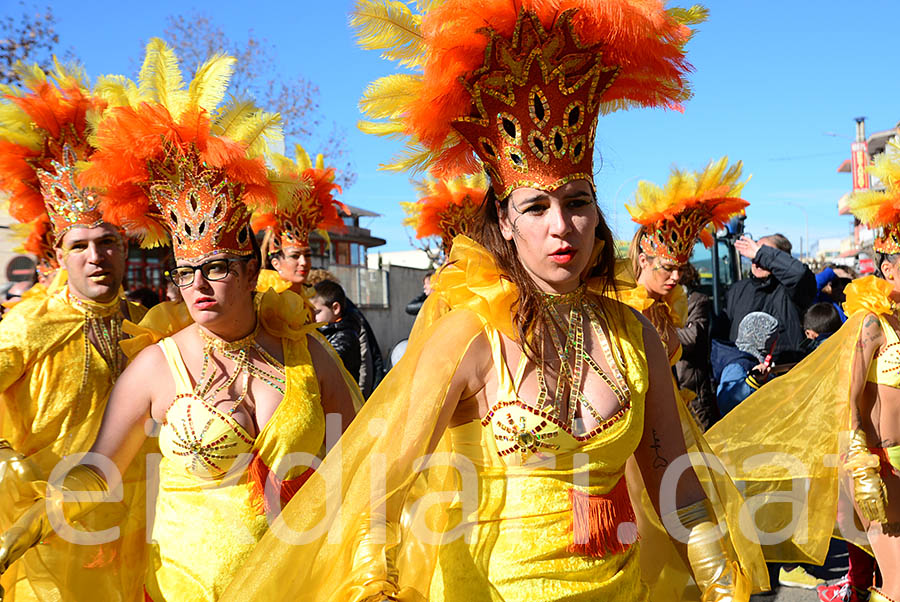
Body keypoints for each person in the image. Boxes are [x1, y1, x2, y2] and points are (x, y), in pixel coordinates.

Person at [219, 2, 767, 600]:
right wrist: (375, 578)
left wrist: (719, 580)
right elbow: (383, 480)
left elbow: (673, 481)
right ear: (504, 222)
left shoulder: (634, 337)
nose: (562, 226)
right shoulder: (470, 337)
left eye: (578, 203)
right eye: (536, 207)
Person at [0, 40, 360, 602]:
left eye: (215, 268)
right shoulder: (153, 366)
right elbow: (99, 467)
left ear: (249, 271)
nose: (199, 286)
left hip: (299, 585)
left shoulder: (308, 355)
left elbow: (358, 462)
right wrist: (42, 512)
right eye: (186, 271)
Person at [705, 135, 900, 602]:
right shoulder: (869, 323)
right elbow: (844, 402)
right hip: (880, 466)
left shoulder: (791, 285)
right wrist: (861, 465)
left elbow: (797, 277)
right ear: (889, 268)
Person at [0, 64, 151, 601]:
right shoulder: (27, 324)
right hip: (46, 537)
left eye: (108, 241)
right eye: (81, 245)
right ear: (60, 254)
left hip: (135, 528)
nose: (96, 257)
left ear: (127, 248)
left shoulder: (146, 324)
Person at [624, 157, 748, 429]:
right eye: (668, 268)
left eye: (680, 268)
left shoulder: (667, 307)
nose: (677, 276)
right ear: (644, 261)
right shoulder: (626, 309)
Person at [252, 146, 348, 296]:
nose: (304, 262)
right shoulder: (263, 299)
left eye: (308, 255)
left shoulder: (310, 297)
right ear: (276, 263)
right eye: (295, 256)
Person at [724, 234, 816, 359]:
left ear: (783, 259)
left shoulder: (792, 289)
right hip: (743, 370)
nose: (756, 260)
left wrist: (761, 254)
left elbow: (799, 273)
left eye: (761, 253)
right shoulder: (738, 289)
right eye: (754, 253)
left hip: (782, 370)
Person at [674, 263, 718, 430]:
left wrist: (661, 334)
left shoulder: (696, 300)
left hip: (693, 388)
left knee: (703, 436)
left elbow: (693, 337)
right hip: (670, 387)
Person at [711, 312, 778, 417]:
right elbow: (727, 402)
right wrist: (753, 381)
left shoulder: (748, 360)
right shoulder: (738, 365)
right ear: (764, 343)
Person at [311, 279, 361, 383]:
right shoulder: (322, 332)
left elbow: (326, 363)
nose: (312, 317)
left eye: (317, 312)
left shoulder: (345, 336)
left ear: (335, 308)